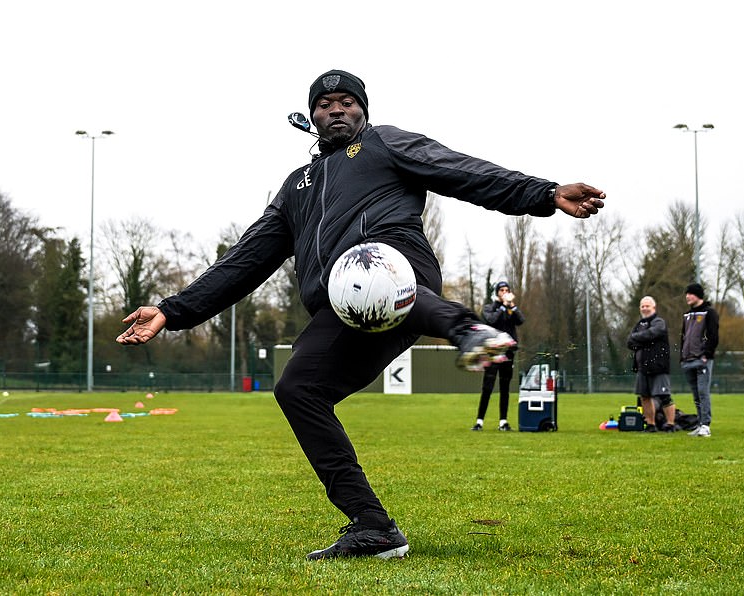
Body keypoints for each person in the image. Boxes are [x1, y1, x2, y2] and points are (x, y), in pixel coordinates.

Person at [116, 69, 606, 560]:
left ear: (363, 110)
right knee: (296, 389)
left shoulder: (384, 145)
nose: (336, 110)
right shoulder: (296, 188)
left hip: (397, 261)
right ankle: (372, 526)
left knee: (367, 270)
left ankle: (470, 332)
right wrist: (170, 311)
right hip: (342, 308)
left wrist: (543, 193)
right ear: (312, 116)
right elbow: (245, 260)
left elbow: (462, 170)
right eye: (324, 103)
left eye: (346, 101)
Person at [472, 280, 524, 432]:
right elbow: (492, 320)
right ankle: (479, 421)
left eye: (507, 290)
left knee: (505, 388)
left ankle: (503, 422)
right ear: (497, 293)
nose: (505, 292)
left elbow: (521, 320)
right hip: (493, 352)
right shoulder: (489, 308)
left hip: (508, 353)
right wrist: (502, 306)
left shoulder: (510, 309)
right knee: (487, 387)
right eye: (502, 290)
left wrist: (512, 307)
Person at [627, 296, 675, 432]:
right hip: (642, 368)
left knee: (664, 396)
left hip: (659, 367)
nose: (645, 308)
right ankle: (650, 424)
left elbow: (652, 334)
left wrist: (638, 337)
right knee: (645, 396)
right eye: (642, 306)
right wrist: (641, 337)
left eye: (647, 306)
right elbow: (629, 342)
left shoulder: (659, 322)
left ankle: (670, 424)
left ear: (654, 307)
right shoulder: (639, 324)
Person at [680, 283, 720, 437]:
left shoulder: (709, 313)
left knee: (703, 392)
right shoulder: (687, 315)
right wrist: (682, 357)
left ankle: (706, 425)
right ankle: (699, 422)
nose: (687, 296)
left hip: (702, 359)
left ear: (698, 295)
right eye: (686, 294)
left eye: (690, 293)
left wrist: (706, 354)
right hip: (688, 359)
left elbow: (713, 336)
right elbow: (683, 337)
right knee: (696, 394)